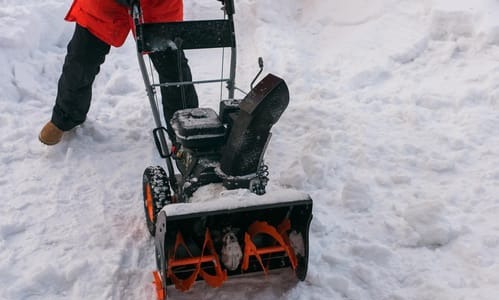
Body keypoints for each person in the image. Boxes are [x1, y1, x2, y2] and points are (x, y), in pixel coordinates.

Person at [39, 0, 198, 145]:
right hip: (104, 5)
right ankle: (66, 117)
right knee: (81, 60)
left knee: (173, 69)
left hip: (157, 5)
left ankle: (186, 133)